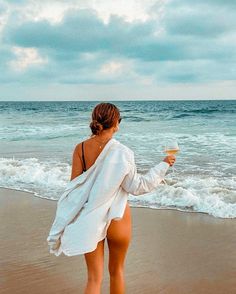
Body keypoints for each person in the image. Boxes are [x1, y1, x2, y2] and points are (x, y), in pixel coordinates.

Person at [69, 102, 176, 294]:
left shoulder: (81, 149)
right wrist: (163, 165)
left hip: (90, 218)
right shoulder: (123, 152)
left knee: (94, 278)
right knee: (117, 272)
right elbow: (137, 186)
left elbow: (75, 188)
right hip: (117, 219)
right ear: (116, 124)